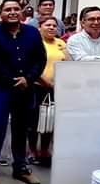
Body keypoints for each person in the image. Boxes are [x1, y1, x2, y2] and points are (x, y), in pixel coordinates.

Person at [0, 0, 45, 184]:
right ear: (1, 14)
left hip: (26, 89)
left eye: (16, 9)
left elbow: (40, 59)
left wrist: (28, 79)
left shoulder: (32, 33)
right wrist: (13, 81)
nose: (13, 12)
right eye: (8, 9)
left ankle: (21, 168)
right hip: (1, 89)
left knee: (21, 129)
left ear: (22, 12)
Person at [28, 16, 69, 166]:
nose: (52, 28)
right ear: (40, 27)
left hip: (56, 88)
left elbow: (68, 63)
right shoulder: (35, 43)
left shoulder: (61, 43)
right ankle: (32, 150)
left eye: (54, 25)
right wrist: (47, 83)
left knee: (50, 120)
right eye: (48, 25)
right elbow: (31, 66)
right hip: (37, 86)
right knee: (34, 120)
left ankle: (45, 149)